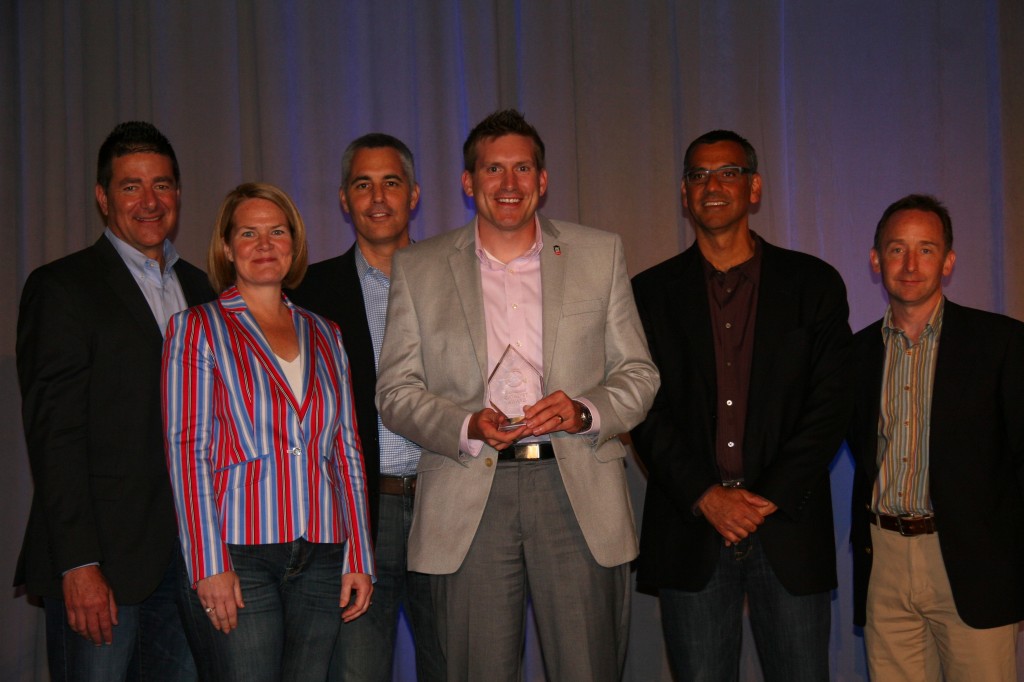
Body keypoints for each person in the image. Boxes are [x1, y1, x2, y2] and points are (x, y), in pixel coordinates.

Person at [375, 109, 659, 681]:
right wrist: (465, 424)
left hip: (574, 487)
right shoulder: (419, 267)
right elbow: (395, 391)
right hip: (469, 491)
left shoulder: (598, 253)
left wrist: (585, 411)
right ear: (468, 182)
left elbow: (638, 375)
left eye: (522, 168)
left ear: (543, 180)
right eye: (493, 169)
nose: (509, 184)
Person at [630, 129, 851, 681]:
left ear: (753, 188)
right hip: (692, 530)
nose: (712, 186)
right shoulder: (647, 293)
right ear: (684, 194)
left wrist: (765, 498)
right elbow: (642, 410)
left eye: (727, 172)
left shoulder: (814, 284)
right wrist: (707, 497)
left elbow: (831, 404)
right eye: (699, 175)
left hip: (788, 530)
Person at [15, 121, 213, 681]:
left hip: (190, 563)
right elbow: (54, 436)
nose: (149, 201)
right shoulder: (63, 288)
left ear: (178, 194)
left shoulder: (204, 290)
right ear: (103, 198)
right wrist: (79, 563)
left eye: (163, 185)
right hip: (102, 567)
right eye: (131, 186)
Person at [162, 182, 375, 682]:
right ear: (226, 247)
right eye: (249, 233)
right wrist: (207, 563)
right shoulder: (196, 328)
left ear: (294, 244)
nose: (264, 244)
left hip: (323, 551)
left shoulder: (327, 333)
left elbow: (347, 447)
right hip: (239, 554)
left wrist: (359, 555)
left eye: (277, 232)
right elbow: (185, 452)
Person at [847, 194, 1024, 681]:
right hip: (883, 559)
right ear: (875, 258)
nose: (909, 264)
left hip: (975, 564)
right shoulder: (854, 354)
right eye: (896, 248)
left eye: (926, 249)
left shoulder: (1003, 344)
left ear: (947, 262)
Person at [289, 133, 445, 681]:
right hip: (357, 517)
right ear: (343, 199)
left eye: (391, 183)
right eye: (363, 185)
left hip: (446, 506)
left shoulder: (458, 281)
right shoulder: (307, 293)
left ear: (415, 194)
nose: (378, 198)